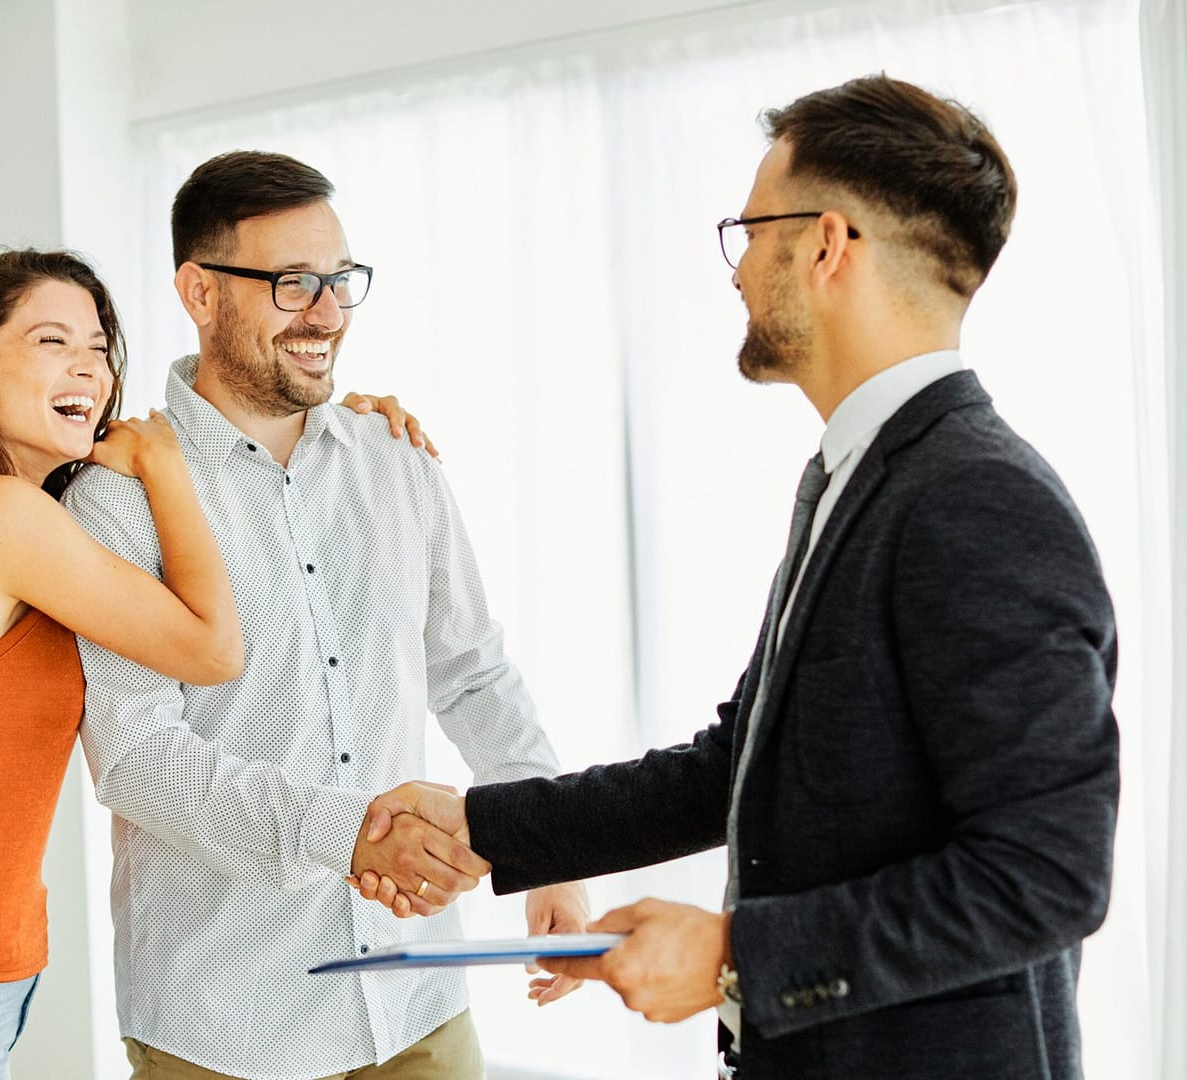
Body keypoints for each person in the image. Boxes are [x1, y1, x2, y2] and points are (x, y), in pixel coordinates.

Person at [360, 74, 1120, 1080]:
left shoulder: (975, 499)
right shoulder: (854, 479)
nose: (735, 273)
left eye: (751, 230)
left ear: (825, 244)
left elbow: (1045, 875)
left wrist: (732, 955)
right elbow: (746, 763)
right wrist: (488, 826)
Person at [0, 248, 419, 1079]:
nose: (88, 366)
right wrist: (164, 464)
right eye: (51, 341)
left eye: (97, 345)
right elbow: (212, 649)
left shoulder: (13, 512)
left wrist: (336, 428)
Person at [62, 150, 588, 1080]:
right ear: (199, 291)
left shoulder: (397, 459)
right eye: (292, 283)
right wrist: (342, 827)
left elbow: (470, 671)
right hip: (222, 1021)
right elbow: (138, 754)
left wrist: (547, 840)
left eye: (341, 280)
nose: (328, 314)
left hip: (416, 997)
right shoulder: (118, 498)